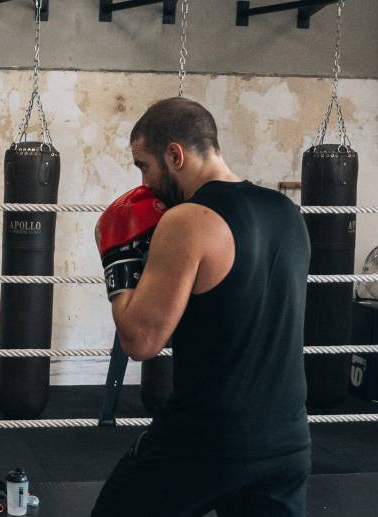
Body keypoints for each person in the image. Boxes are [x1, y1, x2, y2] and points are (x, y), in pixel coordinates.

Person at [92, 97, 311, 516]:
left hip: (209, 437)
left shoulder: (188, 220)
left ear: (175, 155)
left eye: (143, 165)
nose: (144, 181)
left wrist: (119, 259)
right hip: (288, 441)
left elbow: (141, 341)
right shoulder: (287, 213)